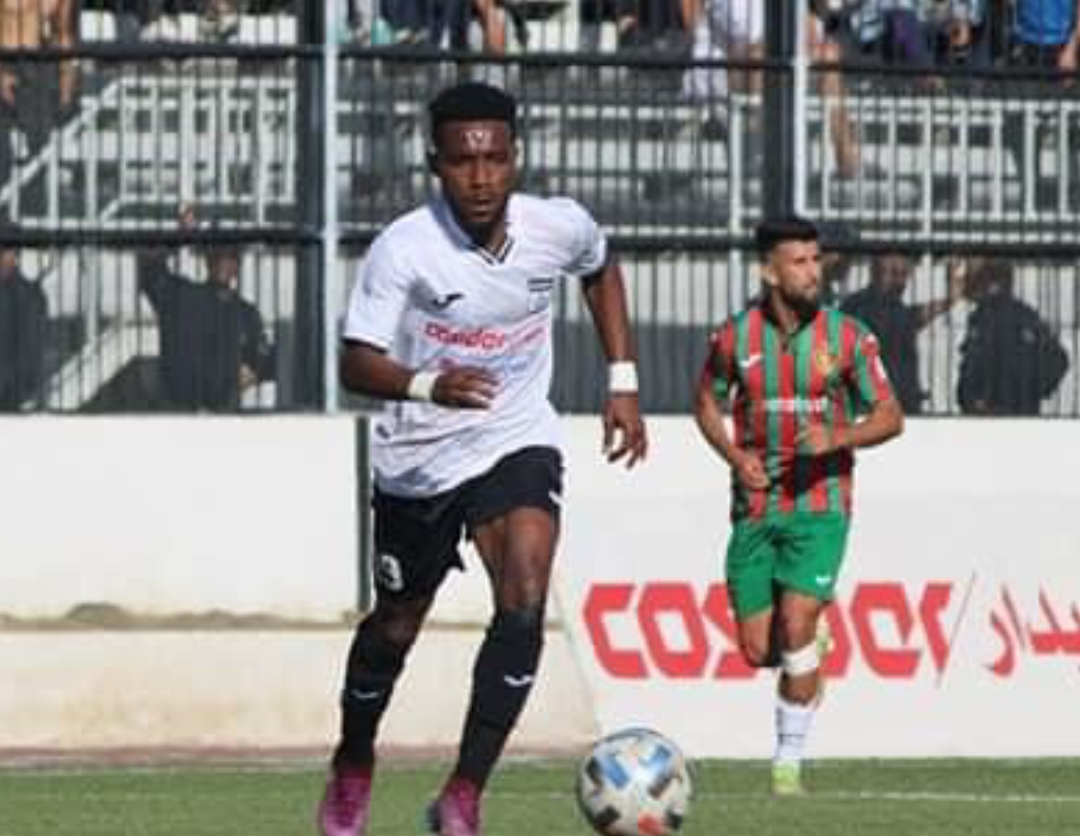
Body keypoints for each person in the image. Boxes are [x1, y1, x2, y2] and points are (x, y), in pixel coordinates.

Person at [317, 82, 647, 836]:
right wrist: (428, 384)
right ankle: (354, 759)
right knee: (396, 625)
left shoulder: (556, 226)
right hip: (420, 459)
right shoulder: (405, 248)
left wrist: (622, 380)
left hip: (514, 435)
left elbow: (599, 267)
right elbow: (355, 361)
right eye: (463, 161)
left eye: (496, 158)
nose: (481, 177)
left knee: (525, 593)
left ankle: (464, 793)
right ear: (435, 162)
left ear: (515, 157)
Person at [693, 216, 903, 797]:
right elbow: (706, 403)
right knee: (759, 650)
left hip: (821, 505)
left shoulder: (849, 338)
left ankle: (788, 762)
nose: (814, 272)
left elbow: (891, 417)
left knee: (795, 625)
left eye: (816, 260)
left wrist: (838, 438)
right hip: (757, 509)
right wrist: (736, 456)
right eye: (800, 262)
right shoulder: (734, 338)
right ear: (769, 271)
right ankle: (811, 641)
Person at [137, 210, 275, 411]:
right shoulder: (180, 296)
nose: (223, 261)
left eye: (231, 256)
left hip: (222, 417)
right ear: (207, 258)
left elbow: (261, 363)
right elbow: (149, 270)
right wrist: (179, 236)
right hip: (178, 415)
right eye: (217, 254)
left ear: (238, 264)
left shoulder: (247, 314)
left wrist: (247, 376)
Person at [840, 251, 965, 415]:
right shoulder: (861, 306)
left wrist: (949, 300)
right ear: (874, 271)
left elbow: (910, 318)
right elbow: (907, 319)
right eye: (893, 273)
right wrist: (949, 300)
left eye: (904, 275)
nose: (900, 282)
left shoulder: (891, 306)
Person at [957, 258, 1070, 415]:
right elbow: (1059, 358)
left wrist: (1029, 390)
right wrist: (1032, 390)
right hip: (1012, 413)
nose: (966, 283)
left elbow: (1058, 359)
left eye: (975, 278)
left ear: (991, 283)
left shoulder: (991, 315)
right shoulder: (1020, 314)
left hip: (995, 413)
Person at [0, 0, 81, 213]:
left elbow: (62, 33)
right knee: (1, 152)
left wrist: (66, 85)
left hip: (35, 67)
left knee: (40, 147)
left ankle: (34, 217)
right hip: (4, 58)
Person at [0, 240, 46, 410]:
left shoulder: (29, 295)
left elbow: (30, 351)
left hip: (9, 395)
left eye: (6, 251)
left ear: (15, 255)